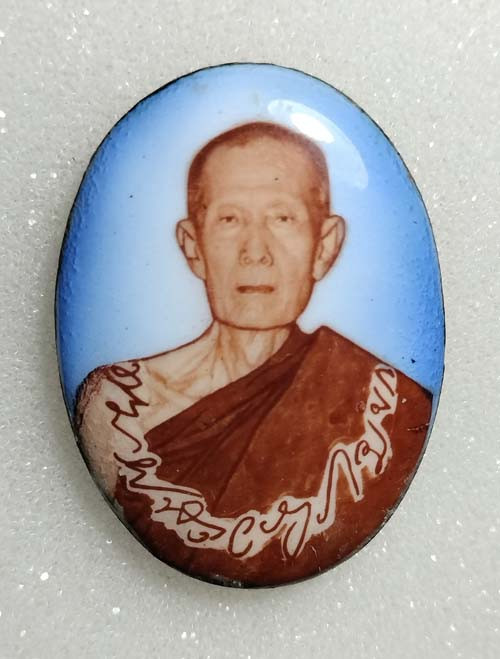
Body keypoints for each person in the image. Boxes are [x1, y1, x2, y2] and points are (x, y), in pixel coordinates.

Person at [76, 121, 432, 587]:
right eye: (230, 220)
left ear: (324, 246)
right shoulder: (118, 407)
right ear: (193, 246)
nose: (256, 252)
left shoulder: (383, 406)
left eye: (282, 219)